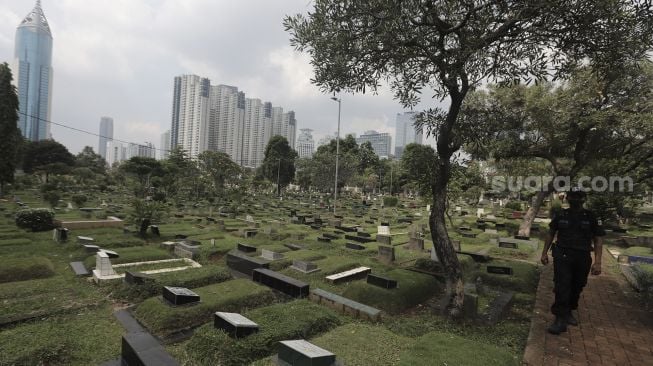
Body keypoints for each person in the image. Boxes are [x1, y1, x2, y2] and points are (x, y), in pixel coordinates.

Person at [540, 188, 605, 335]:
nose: (575, 199)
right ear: (568, 198)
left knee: (578, 285)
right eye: (572, 196)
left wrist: (598, 262)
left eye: (578, 197)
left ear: (583, 199)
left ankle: (569, 310)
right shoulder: (561, 214)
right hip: (562, 254)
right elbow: (551, 233)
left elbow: (598, 239)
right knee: (562, 285)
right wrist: (544, 253)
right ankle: (559, 319)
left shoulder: (591, 216)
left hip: (582, 256)